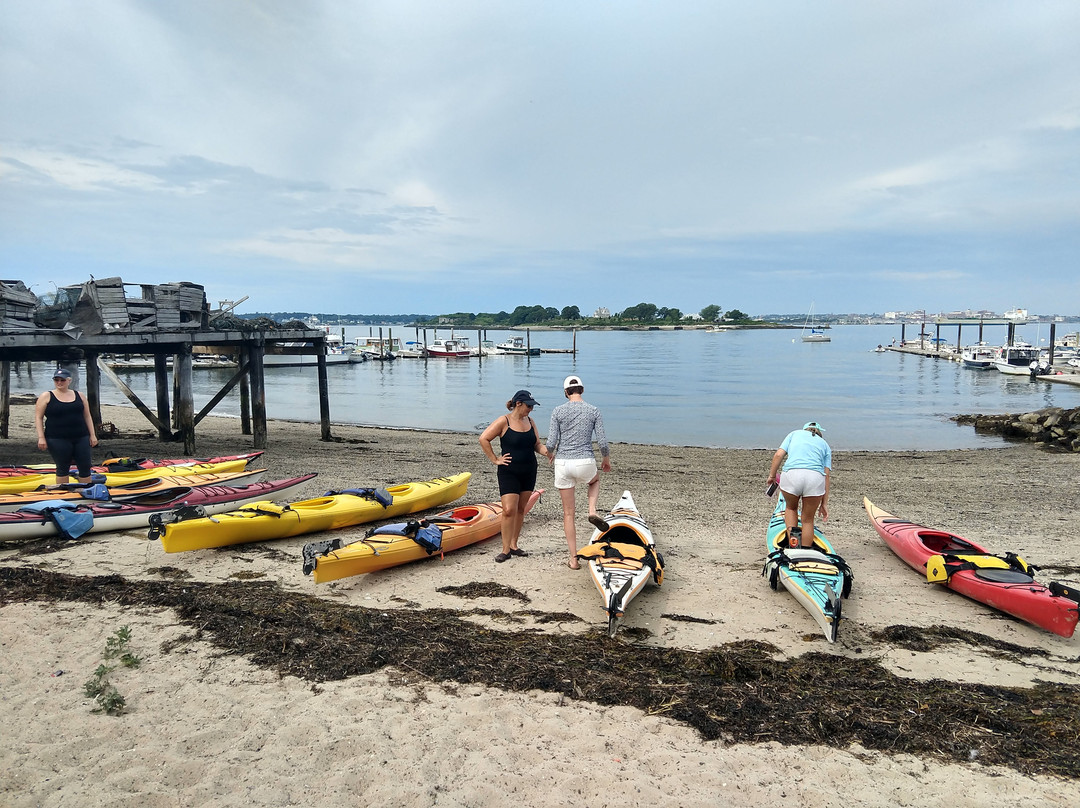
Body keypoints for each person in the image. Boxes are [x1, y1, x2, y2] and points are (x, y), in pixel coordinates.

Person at [546, 375, 611, 569]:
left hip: (563, 463)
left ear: (566, 392)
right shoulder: (593, 411)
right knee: (594, 481)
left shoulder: (558, 411)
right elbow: (603, 442)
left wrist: (550, 454)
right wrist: (605, 459)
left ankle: (573, 560)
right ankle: (592, 510)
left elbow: (550, 443)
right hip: (585, 461)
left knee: (568, 514)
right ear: (582, 390)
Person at [478, 390, 550, 563]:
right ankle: (505, 550)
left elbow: (537, 445)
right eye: (529, 406)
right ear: (519, 404)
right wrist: (495, 459)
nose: (531, 409)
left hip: (529, 470)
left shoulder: (531, 422)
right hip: (509, 472)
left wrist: (548, 452)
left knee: (520, 509)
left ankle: (514, 545)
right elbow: (484, 438)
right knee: (509, 510)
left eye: (532, 406)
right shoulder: (504, 421)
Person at [766, 422, 831, 550]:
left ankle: (794, 547)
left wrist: (772, 476)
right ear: (819, 433)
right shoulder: (825, 445)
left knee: (791, 508)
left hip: (792, 476)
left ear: (805, 429)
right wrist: (824, 503)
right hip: (815, 479)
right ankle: (805, 551)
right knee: (807, 520)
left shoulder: (794, 434)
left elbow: (778, 455)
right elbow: (826, 476)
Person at [34, 368, 99, 485]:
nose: (59, 382)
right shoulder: (46, 396)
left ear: (69, 381)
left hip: (81, 436)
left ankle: (85, 492)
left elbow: (87, 416)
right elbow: (38, 418)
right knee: (63, 467)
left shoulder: (80, 395)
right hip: (57, 438)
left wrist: (92, 435)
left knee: (85, 466)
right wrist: (41, 437)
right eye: (56, 380)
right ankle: (63, 494)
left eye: (62, 380)